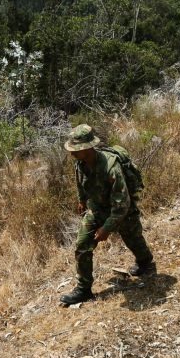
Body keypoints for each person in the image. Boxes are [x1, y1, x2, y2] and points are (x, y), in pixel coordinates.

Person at [59, 124, 156, 306]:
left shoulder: (111, 167)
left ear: (88, 148)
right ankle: (84, 289)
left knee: (133, 239)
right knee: (82, 246)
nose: (72, 153)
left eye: (76, 150)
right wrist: (81, 200)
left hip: (122, 212)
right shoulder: (80, 163)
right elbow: (80, 183)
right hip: (97, 210)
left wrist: (106, 229)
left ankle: (145, 262)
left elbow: (123, 204)